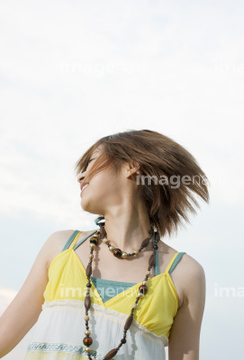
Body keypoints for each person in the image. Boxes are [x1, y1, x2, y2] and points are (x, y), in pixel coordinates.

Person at [0, 129, 210, 360]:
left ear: (131, 166)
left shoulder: (184, 273)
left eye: (91, 163)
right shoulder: (61, 247)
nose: (81, 177)